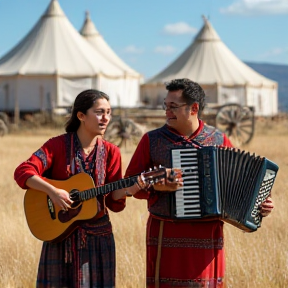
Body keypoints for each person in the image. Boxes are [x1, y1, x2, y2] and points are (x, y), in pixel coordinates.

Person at [125, 78, 274, 288]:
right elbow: (129, 182)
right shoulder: (152, 139)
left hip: (207, 233)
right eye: (165, 106)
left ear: (194, 108)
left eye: (173, 107)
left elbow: (240, 186)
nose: (167, 111)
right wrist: (155, 185)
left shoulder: (219, 140)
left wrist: (261, 206)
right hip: (166, 230)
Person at [14, 89, 151, 288]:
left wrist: (130, 189)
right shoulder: (57, 145)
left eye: (109, 112)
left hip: (98, 240)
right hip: (61, 236)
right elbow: (23, 171)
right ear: (81, 116)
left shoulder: (112, 152)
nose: (106, 118)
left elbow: (113, 201)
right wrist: (53, 192)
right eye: (99, 112)